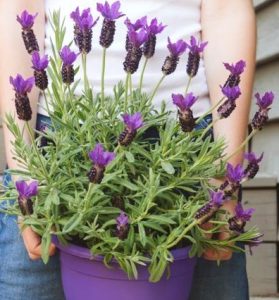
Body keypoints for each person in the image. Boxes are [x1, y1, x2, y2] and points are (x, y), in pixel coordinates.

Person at [0, 0, 256, 299]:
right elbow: (16, 10)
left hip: (188, 154)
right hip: (54, 150)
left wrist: (224, 181)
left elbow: (227, 10)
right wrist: (23, 168)